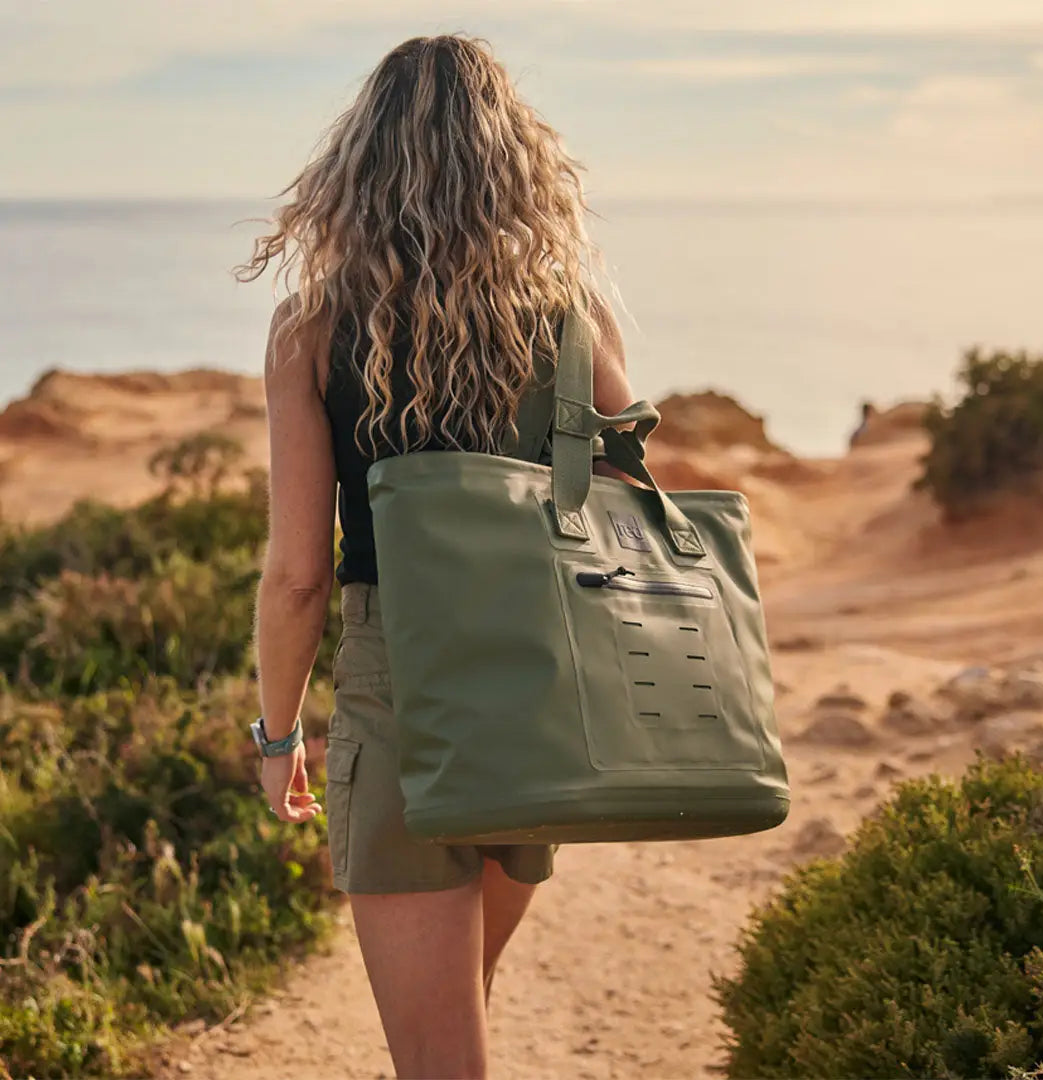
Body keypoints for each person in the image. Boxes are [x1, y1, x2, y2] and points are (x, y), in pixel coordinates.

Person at [236, 34, 635, 1080]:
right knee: (459, 1023)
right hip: (539, 694)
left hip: (401, 690)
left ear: (356, 167)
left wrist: (276, 735)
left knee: (440, 1057)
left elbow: (297, 576)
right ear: (518, 164)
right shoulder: (574, 318)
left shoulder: (312, 333)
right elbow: (634, 504)